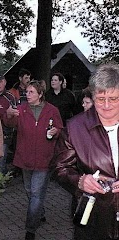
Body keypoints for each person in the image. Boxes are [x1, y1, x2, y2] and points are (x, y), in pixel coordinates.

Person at [51, 63, 119, 240]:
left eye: (113, 99)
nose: (106, 106)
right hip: (93, 218)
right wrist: (79, 181)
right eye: (100, 98)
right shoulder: (75, 128)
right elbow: (59, 168)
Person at [4, 80, 63, 240]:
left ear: (40, 94)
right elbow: (10, 122)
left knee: (36, 193)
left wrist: (55, 131)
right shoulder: (21, 109)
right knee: (30, 191)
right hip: (25, 158)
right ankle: (40, 212)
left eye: (31, 92)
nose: (27, 95)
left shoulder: (52, 110)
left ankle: (30, 229)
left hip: (45, 159)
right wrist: (8, 114)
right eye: (27, 92)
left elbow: (59, 129)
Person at [0, 75, 16, 174]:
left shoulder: (10, 97)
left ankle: (0, 186)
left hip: (4, 134)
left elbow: (14, 117)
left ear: (5, 82)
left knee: (0, 162)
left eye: (0, 81)